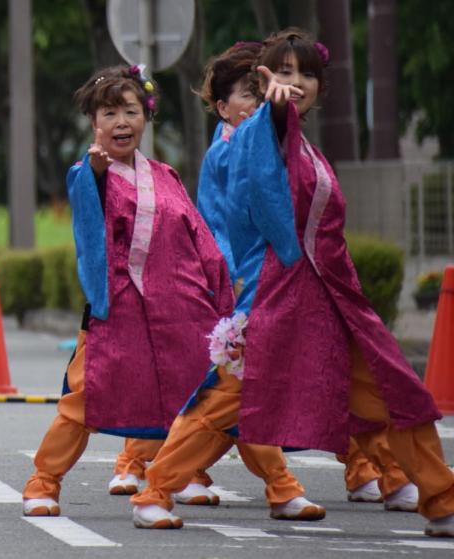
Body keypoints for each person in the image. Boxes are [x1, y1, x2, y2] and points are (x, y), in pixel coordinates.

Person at [131, 29, 454, 536]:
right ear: (264, 80)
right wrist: (274, 114)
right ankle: (154, 490)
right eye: (283, 72)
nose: (295, 82)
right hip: (274, 299)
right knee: (224, 403)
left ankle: (440, 500)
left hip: (331, 302)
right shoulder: (254, 135)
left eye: (306, 73)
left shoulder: (305, 147)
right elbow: (261, 193)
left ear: (322, 85)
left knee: (395, 394)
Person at [196, 41, 414, 512]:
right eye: (249, 94)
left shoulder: (286, 139)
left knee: (335, 376)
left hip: (302, 281)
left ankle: (375, 471)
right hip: (260, 283)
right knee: (239, 392)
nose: (263, 99)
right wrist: (236, 278)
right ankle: (173, 476)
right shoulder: (229, 151)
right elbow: (224, 223)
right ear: (222, 107)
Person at [21, 65, 233, 521]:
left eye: (131, 111)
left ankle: (179, 476)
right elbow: (87, 211)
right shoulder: (86, 173)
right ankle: (43, 481)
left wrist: (221, 295)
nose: (121, 122)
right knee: (84, 400)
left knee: (197, 396)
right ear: (93, 122)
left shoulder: (166, 175)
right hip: (118, 310)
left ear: (146, 117)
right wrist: (96, 172)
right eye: (110, 113)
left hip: (179, 310)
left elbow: (201, 238)